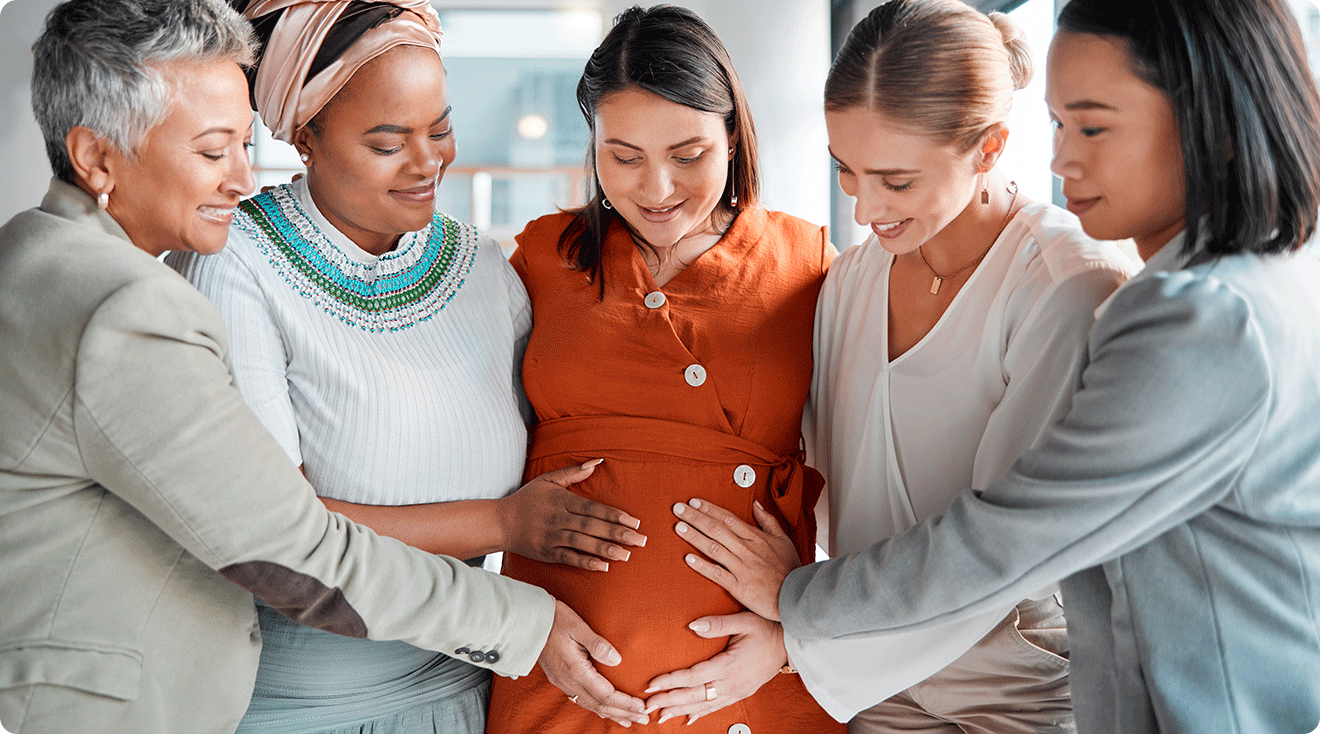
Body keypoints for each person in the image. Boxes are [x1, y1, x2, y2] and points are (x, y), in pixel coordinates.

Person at [670, 0, 1320, 732]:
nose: (1061, 161)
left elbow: (1008, 540)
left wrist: (797, 612)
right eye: (1059, 124)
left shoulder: (1193, 316)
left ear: (1209, 120)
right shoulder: (1237, 288)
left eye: (1092, 127)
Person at [0, 1, 647, 732]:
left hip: (448, 684)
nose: (241, 178)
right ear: (95, 158)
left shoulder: (33, 259)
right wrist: (522, 611)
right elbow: (287, 547)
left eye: (243, 146)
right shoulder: (127, 307)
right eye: (212, 153)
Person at [650, 1, 1134, 731]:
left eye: (897, 181)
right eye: (846, 171)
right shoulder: (852, 279)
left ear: (990, 148)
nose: (864, 210)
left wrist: (795, 632)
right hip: (864, 678)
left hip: (1010, 683)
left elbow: (999, 549)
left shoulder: (1068, 286)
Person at [484, 5, 842, 733]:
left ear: (733, 136)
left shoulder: (808, 267)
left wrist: (794, 631)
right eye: (623, 157)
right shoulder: (539, 261)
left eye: (688, 155)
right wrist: (516, 615)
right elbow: (472, 452)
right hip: (558, 681)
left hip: (753, 692)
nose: (656, 189)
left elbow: (880, 484)